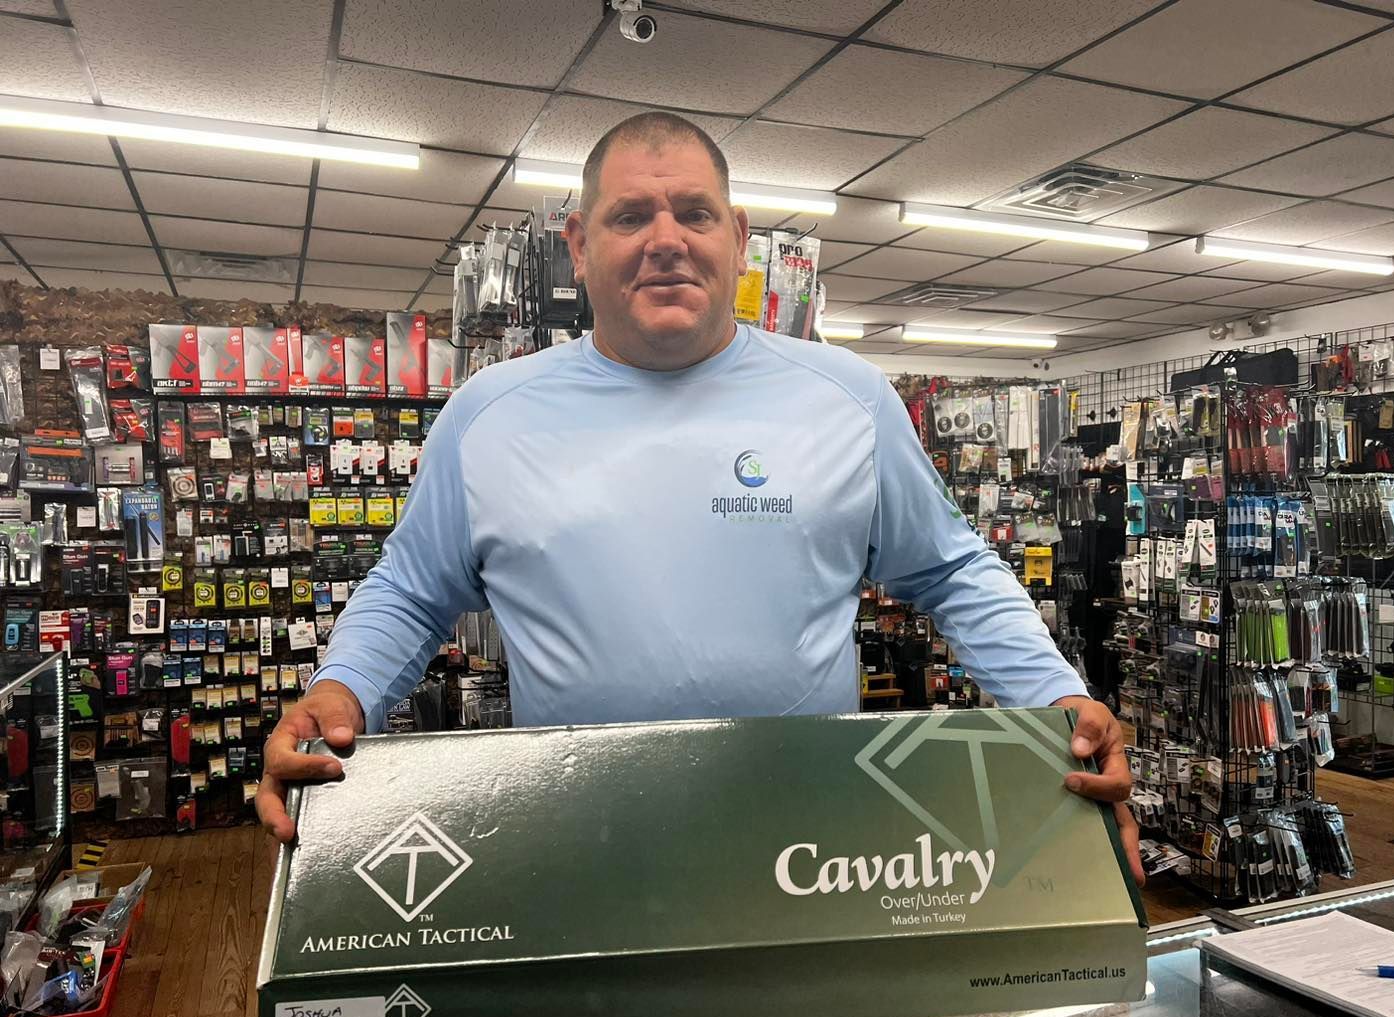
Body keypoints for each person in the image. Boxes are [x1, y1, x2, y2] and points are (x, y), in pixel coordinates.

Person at [257, 111, 1142, 884]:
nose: (666, 238)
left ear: (739, 236)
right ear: (577, 244)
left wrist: (1055, 696)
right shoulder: (489, 415)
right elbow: (411, 590)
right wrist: (342, 688)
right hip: (570, 849)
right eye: (631, 215)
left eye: (695, 212)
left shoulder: (847, 399)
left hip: (813, 856)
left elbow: (951, 571)